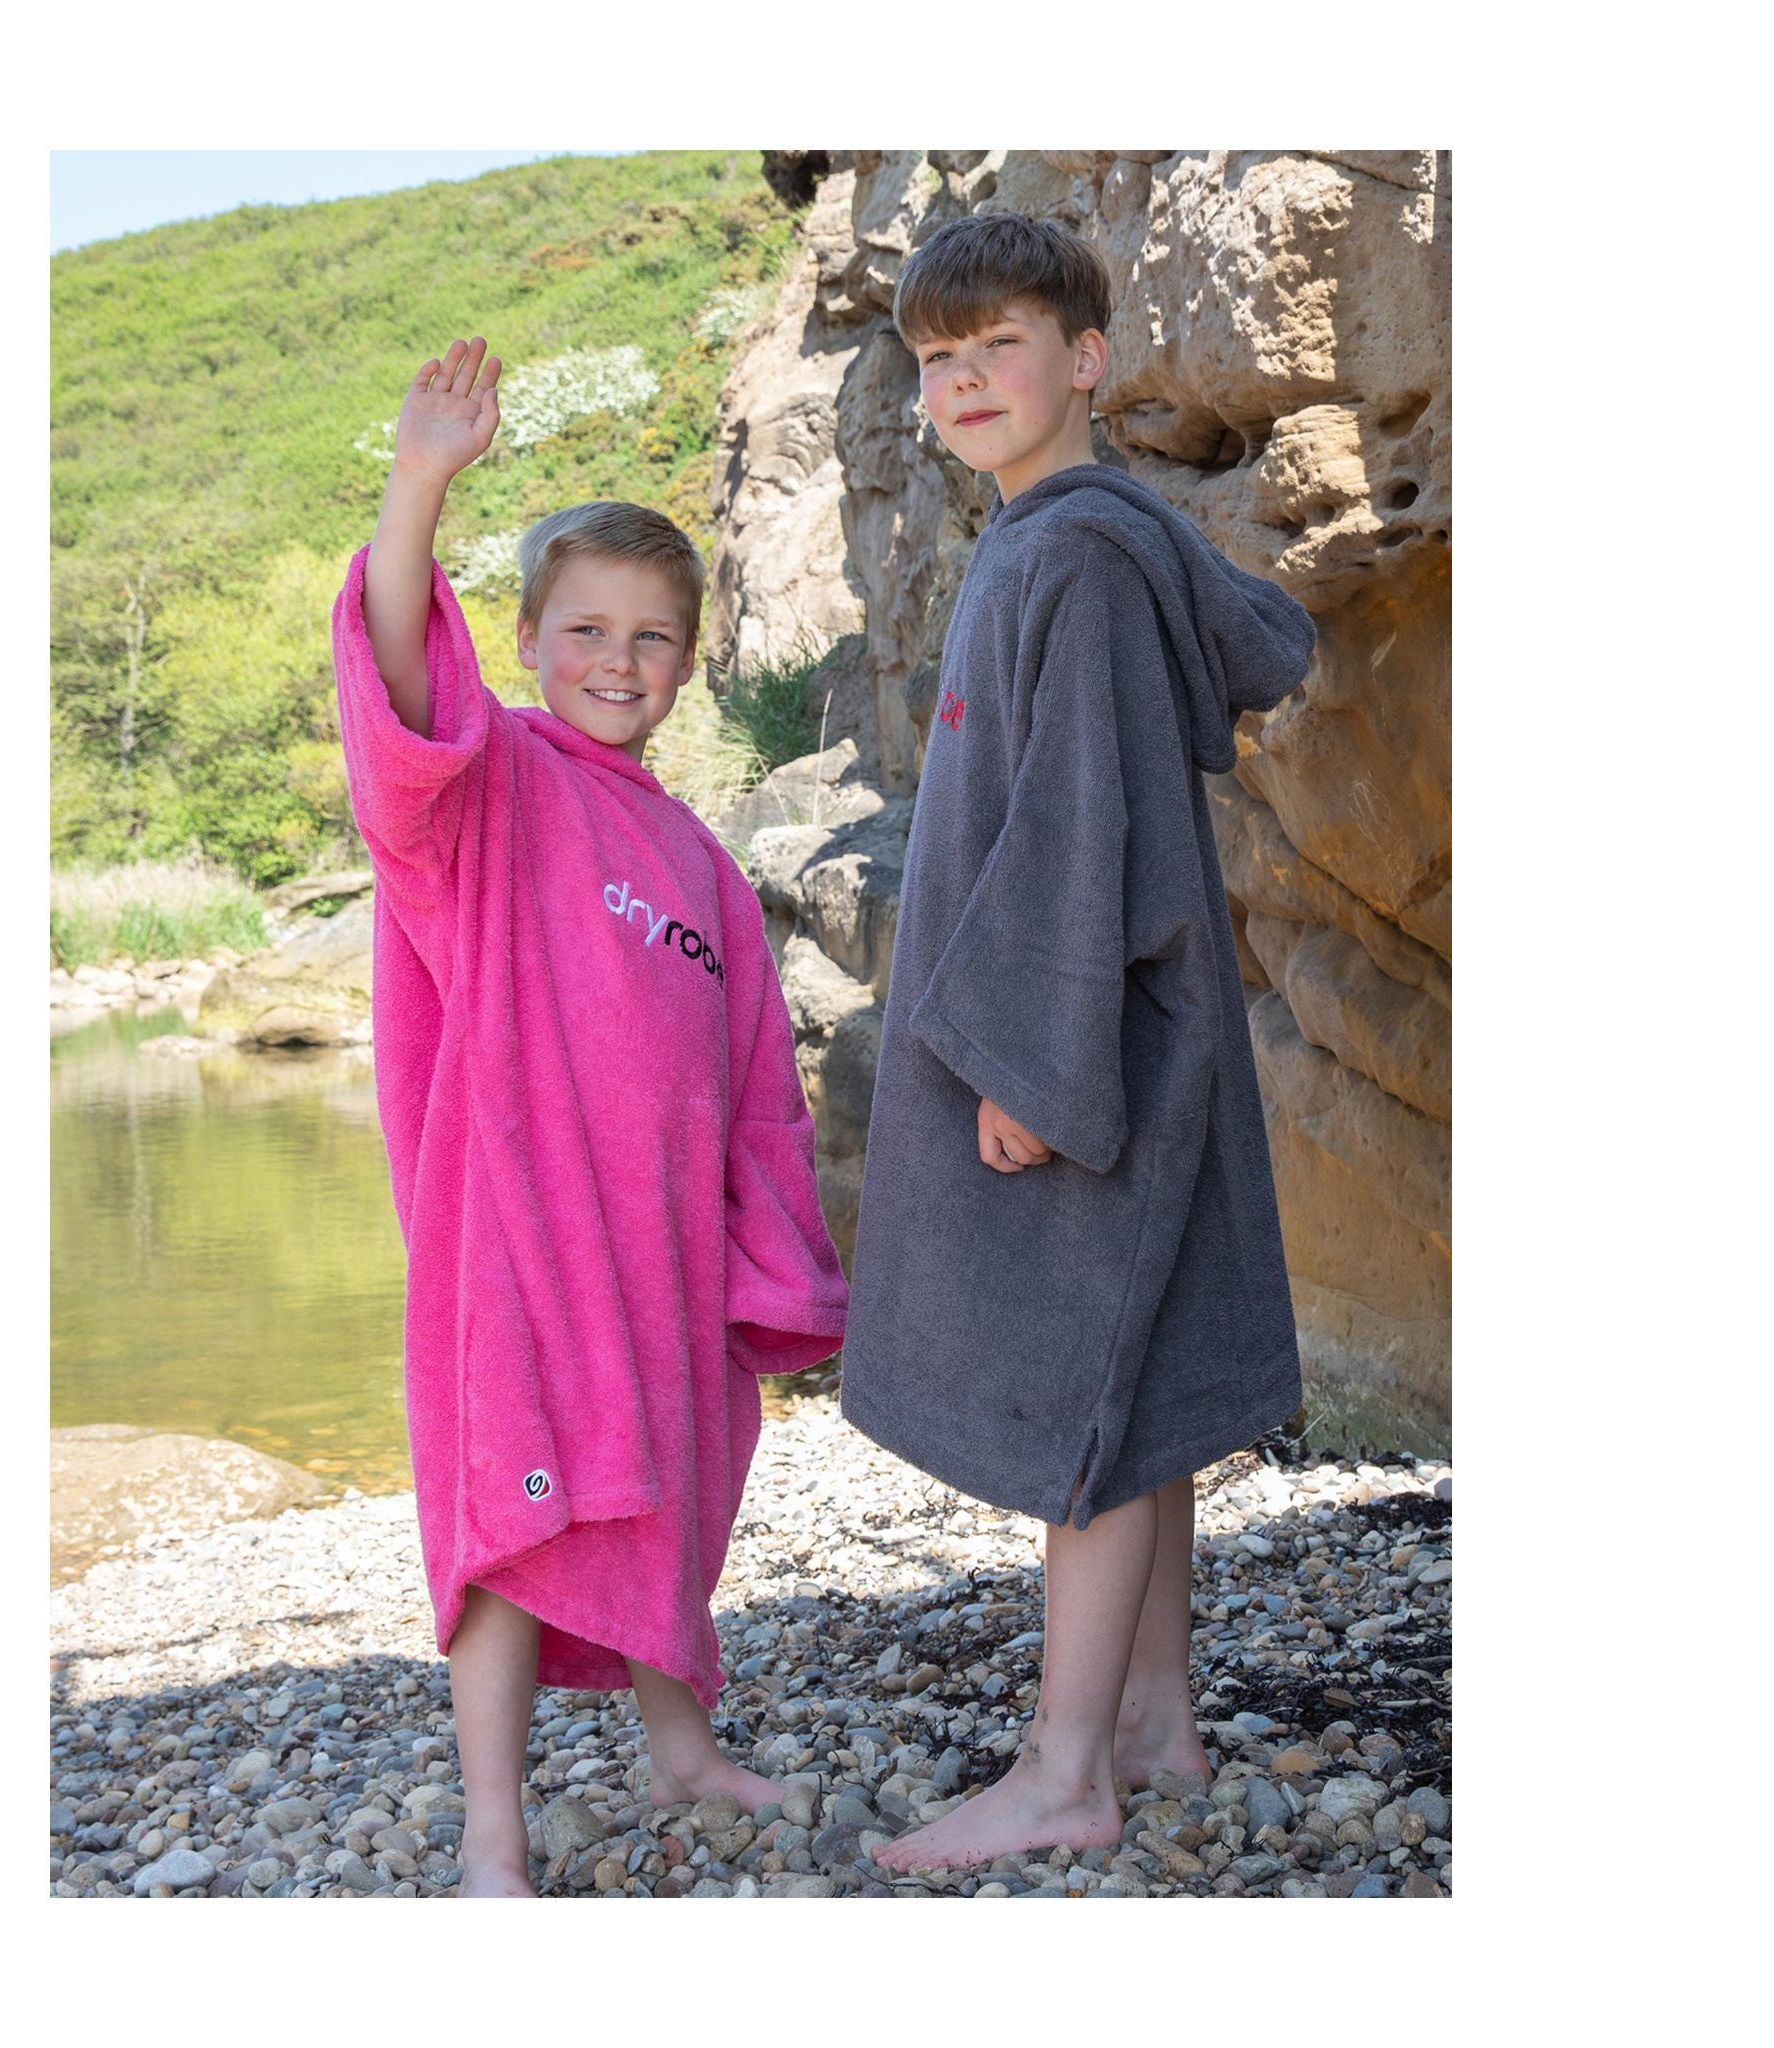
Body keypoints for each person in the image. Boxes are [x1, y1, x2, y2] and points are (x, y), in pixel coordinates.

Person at [335, 336, 849, 1897]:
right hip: (516, 1235)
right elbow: (398, 679)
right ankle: (493, 1834)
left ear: (689, 659)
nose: (617, 663)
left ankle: (682, 1751)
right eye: (583, 631)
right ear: (526, 641)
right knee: (513, 1517)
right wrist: (421, 481)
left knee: (670, 1489)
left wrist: (777, 1262)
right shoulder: (488, 787)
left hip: (661, 1250)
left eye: (652, 638)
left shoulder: (700, 864)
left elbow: (756, 1097)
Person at [838, 215, 1317, 1874]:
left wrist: (1033, 1068)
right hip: (1131, 1033)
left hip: (1093, 1042)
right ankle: (1153, 1723)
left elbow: (1075, 826)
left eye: (1002, 346)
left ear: (1087, 359)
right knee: (1146, 1371)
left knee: (1078, 1390)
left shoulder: (1078, 560)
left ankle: (1063, 1773)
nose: (966, 381)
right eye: (938, 357)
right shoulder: (1052, 540)